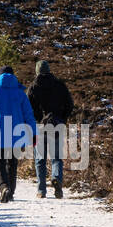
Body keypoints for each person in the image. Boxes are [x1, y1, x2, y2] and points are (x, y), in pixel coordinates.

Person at [0, 65, 36, 202]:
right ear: (13, 76)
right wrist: (33, 134)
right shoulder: (20, 93)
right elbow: (29, 115)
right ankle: (11, 191)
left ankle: (4, 187)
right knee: (12, 163)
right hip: (16, 134)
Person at [27, 59, 74, 199]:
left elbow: (28, 109)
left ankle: (41, 191)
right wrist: (62, 119)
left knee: (40, 160)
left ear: (37, 71)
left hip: (40, 126)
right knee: (57, 158)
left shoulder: (33, 87)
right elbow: (69, 105)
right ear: (49, 70)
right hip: (57, 124)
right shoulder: (60, 85)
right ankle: (57, 180)